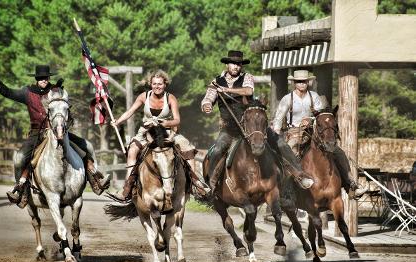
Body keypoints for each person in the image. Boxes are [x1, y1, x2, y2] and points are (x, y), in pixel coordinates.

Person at [0, 65, 110, 208]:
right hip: (37, 133)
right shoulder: (27, 92)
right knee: (20, 158)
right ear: (36, 79)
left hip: (58, 131)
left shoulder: (57, 91)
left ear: (48, 78)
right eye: (41, 78)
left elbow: (67, 112)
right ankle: (21, 191)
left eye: (46, 78)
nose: (43, 80)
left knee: (87, 146)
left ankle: (95, 180)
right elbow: (8, 92)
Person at [201, 50, 314, 191]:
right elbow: (208, 98)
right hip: (230, 128)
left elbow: (248, 91)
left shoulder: (247, 77)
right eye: (233, 63)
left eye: (239, 64)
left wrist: (226, 90)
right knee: (217, 150)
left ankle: (300, 175)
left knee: (281, 144)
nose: (236, 66)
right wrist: (206, 105)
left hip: (253, 125)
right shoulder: (216, 82)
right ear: (227, 64)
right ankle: (210, 184)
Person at [112, 70, 209, 203]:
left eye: (160, 84)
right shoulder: (143, 96)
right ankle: (128, 186)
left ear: (165, 85)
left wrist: (167, 123)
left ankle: (195, 183)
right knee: (132, 150)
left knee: (187, 147)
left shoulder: (170, 98)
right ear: (150, 84)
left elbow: (177, 120)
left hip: (167, 131)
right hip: (146, 131)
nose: (157, 86)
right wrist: (117, 121)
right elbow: (130, 112)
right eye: (154, 84)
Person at [272, 69, 365, 196]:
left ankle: (350, 184)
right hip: (294, 132)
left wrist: (309, 119)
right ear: (294, 83)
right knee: (291, 153)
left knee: (338, 151)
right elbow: (278, 118)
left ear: (308, 82)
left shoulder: (314, 96)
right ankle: (287, 189)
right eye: (299, 81)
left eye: (304, 81)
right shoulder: (288, 99)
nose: (302, 84)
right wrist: (277, 133)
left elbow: (319, 114)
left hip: (314, 130)